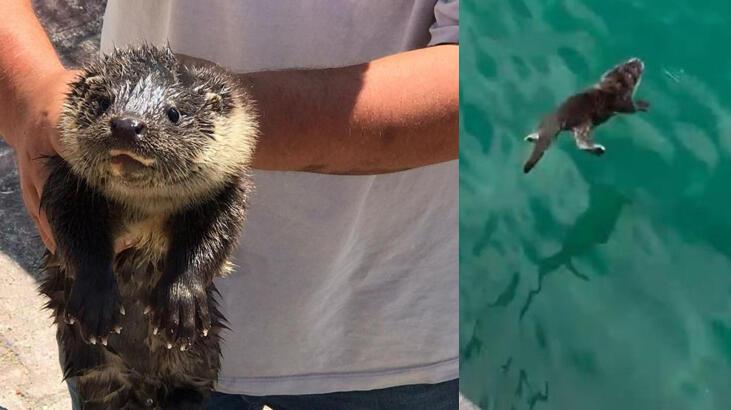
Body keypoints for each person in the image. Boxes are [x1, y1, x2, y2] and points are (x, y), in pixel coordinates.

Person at [0, 0, 459, 408]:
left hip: (396, 331)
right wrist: (26, 92)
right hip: (116, 349)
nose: (127, 128)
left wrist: (220, 144)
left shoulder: (217, 162)